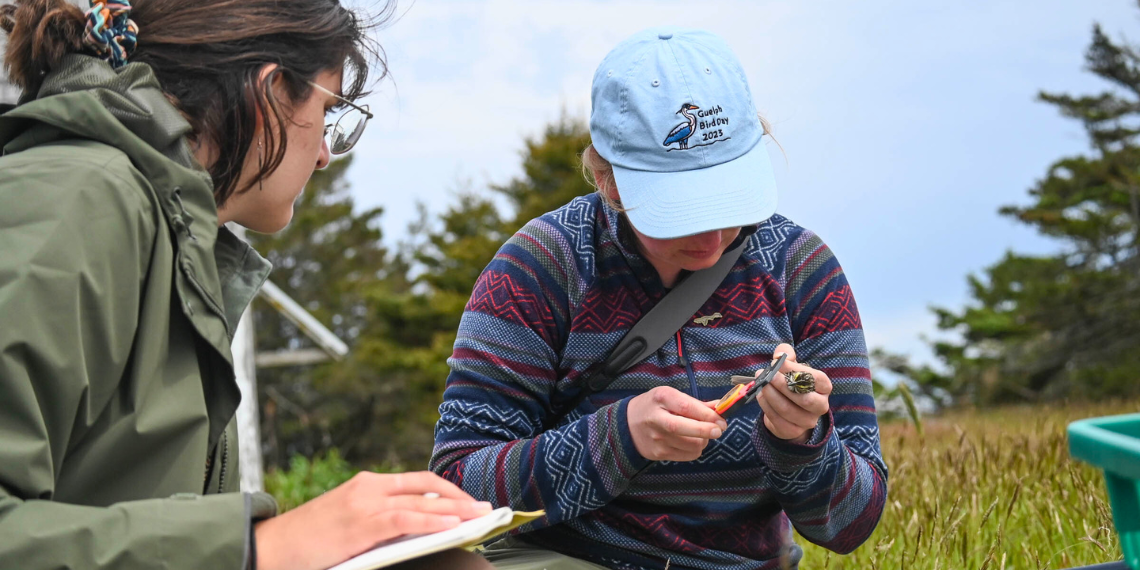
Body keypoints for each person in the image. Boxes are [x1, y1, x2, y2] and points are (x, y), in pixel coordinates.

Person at [0, 1, 494, 568]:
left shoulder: (180, 246)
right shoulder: (72, 199)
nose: (327, 156)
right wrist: (263, 548)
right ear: (270, 94)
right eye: (329, 111)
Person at [430, 27, 888, 570]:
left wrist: (803, 437)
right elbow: (456, 490)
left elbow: (852, 524)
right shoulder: (542, 266)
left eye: (726, 199)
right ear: (610, 180)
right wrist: (618, 438)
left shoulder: (801, 270)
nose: (712, 238)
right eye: (679, 210)